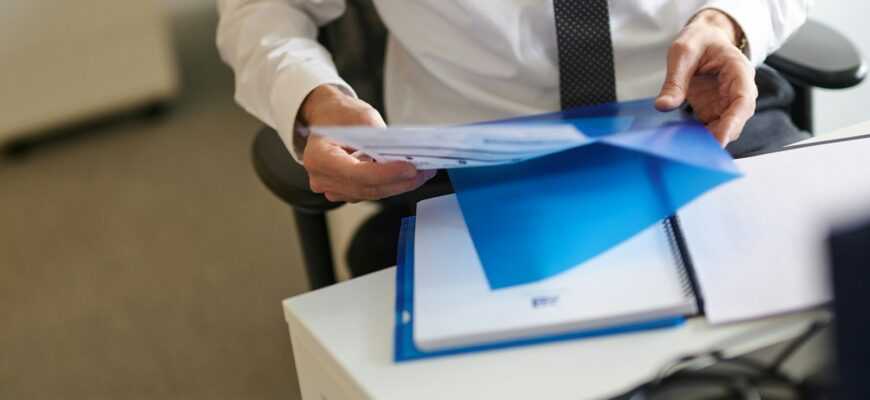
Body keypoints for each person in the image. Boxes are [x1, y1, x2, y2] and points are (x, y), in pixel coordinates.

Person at [217, 0, 811, 275]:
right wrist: (310, 100)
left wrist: (730, 21)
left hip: (699, 115)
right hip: (465, 157)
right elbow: (261, 9)